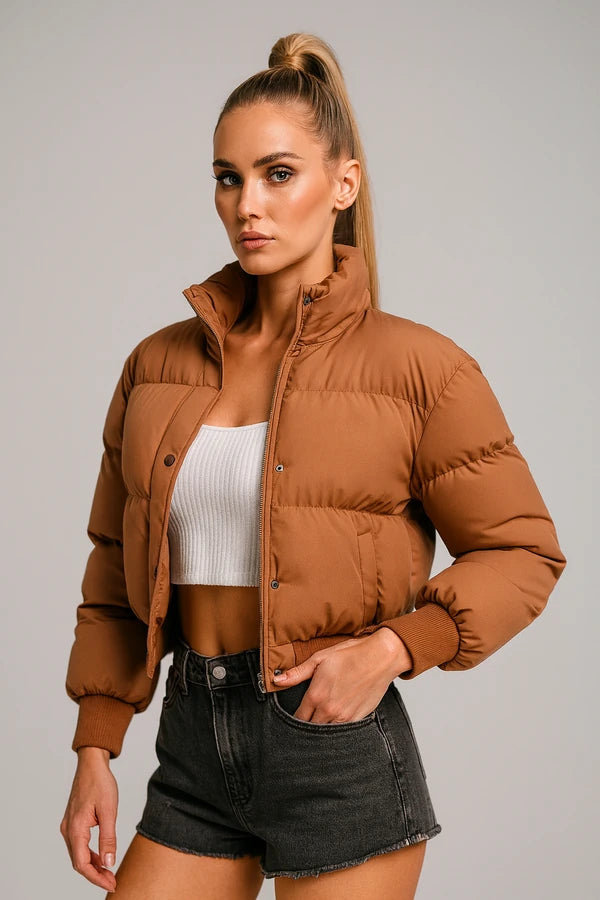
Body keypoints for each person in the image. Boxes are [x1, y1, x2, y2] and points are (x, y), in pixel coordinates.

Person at [59, 31, 566, 900]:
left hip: (334, 747)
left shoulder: (421, 369)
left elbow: (524, 552)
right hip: (191, 743)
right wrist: (95, 746)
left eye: (278, 173)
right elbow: (115, 568)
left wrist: (395, 648)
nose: (247, 204)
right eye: (228, 178)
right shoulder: (157, 365)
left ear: (344, 183)